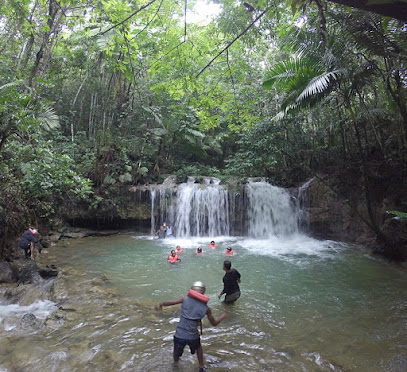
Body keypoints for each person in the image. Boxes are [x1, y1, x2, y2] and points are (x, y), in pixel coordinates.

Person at [155, 281, 227, 372]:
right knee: (198, 347)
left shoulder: (184, 299)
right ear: (203, 292)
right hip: (193, 336)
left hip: (180, 334)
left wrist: (160, 304)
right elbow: (214, 323)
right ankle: (201, 366)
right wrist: (222, 317)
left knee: (176, 350)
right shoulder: (206, 309)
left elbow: (168, 303)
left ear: (192, 290)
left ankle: (175, 364)